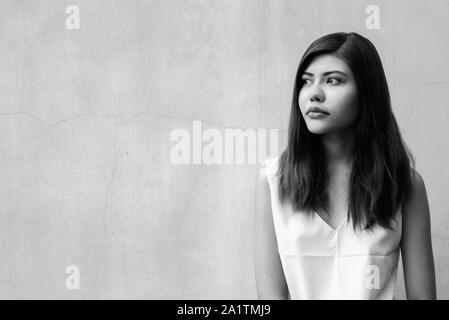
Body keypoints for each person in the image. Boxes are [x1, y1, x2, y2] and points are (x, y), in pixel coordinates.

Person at [254, 32, 436, 300]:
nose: (314, 93)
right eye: (306, 82)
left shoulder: (405, 185)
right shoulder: (273, 183)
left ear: (367, 93)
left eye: (332, 80)